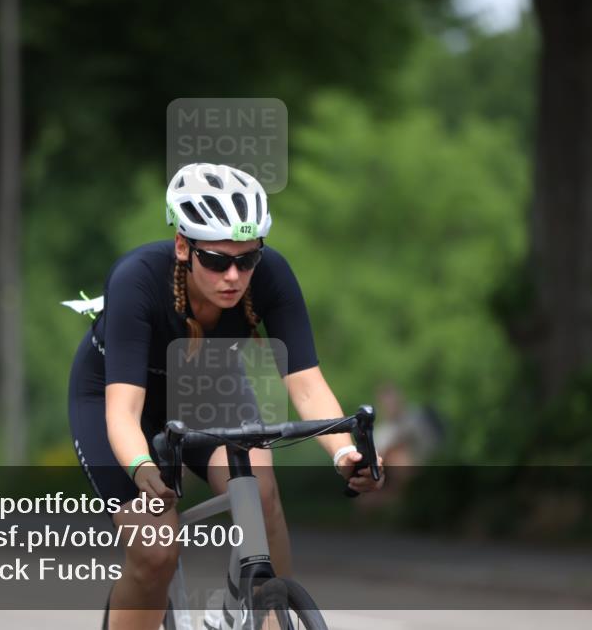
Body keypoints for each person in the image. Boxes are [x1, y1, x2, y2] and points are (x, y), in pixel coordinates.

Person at [67, 163, 384, 630]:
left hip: (207, 386)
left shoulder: (272, 276)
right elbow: (124, 411)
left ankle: (269, 617)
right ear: (183, 246)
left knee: (260, 489)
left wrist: (344, 451)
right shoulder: (136, 280)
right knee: (156, 549)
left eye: (247, 259)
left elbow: (307, 383)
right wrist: (143, 468)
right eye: (217, 260)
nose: (233, 275)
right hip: (116, 395)